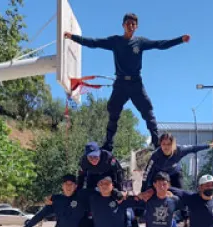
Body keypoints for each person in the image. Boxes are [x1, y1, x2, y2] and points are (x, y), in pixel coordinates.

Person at [65, 13, 190, 151]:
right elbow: (94, 43)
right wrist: (73, 37)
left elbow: (160, 44)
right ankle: (108, 144)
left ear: (136, 27)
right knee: (113, 112)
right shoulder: (115, 41)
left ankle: (156, 142)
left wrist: (180, 40)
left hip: (136, 83)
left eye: (133, 24)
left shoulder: (140, 42)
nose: (130, 26)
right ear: (123, 25)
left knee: (148, 112)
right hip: (120, 84)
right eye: (128, 23)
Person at [141, 133, 213, 190]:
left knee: (180, 193)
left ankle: (183, 211)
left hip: (174, 173)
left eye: (169, 144)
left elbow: (193, 148)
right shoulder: (155, 155)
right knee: (150, 191)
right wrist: (143, 190)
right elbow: (147, 173)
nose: (166, 147)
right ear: (160, 144)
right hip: (159, 174)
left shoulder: (180, 150)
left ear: (173, 144)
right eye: (163, 144)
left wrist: (209, 145)